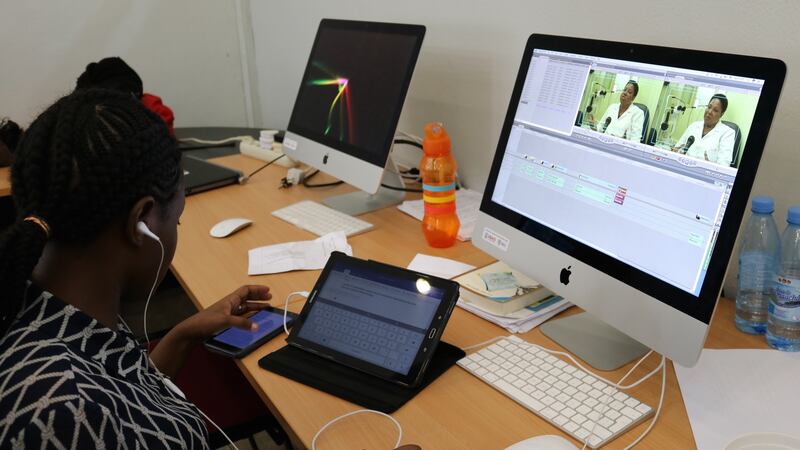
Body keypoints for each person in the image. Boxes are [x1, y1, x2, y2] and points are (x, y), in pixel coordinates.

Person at [0, 89, 272, 448]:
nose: (175, 232)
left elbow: (120, 392)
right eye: (177, 221)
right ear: (140, 222)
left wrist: (181, 335)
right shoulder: (62, 415)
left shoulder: (45, 298)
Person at [673, 94, 736, 166]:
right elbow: (676, 148)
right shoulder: (693, 126)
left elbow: (724, 165)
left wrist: (709, 165)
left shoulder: (727, 133)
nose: (709, 112)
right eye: (709, 107)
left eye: (715, 110)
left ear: (721, 114)